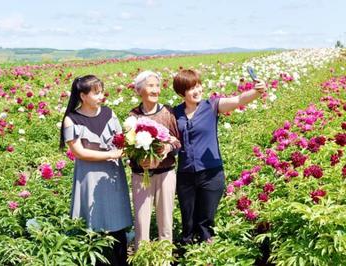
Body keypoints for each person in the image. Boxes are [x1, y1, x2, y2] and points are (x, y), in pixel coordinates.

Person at [172, 69, 267, 244]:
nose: (197, 90)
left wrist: (257, 91)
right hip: (185, 175)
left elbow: (238, 100)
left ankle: (208, 255)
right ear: (181, 92)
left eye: (198, 85)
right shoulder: (175, 113)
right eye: (191, 88)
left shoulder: (211, 106)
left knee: (205, 222)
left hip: (211, 174)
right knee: (188, 222)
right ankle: (188, 254)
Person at [59, 75, 132, 265]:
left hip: (112, 175)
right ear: (83, 96)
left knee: (117, 221)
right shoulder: (71, 119)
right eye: (96, 93)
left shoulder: (109, 113)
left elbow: (121, 139)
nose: (101, 96)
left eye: (101, 92)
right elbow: (79, 152)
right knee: (94, 221)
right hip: (89, 176)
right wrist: (112, 155)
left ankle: (120, 260)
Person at [129, 70, 181, 250]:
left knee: (165, 223)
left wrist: (167, 148)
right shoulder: (133, 116)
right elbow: (128, 146)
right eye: (150, 85)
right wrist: (139, 158)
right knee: (141, 224)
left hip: (165, 174)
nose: (155, 90)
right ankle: (142, 259)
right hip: (140, 175)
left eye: (157, 86)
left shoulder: (168, 112)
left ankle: (164, 260)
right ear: (139, 90)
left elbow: (177, 142)